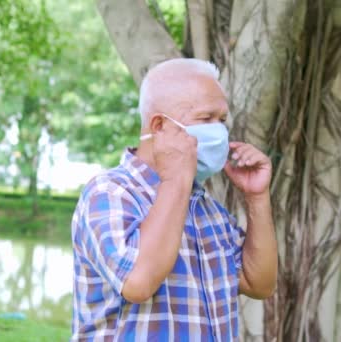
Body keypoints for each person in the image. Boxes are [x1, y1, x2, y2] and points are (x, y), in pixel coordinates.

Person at [71, 58, 278, 341]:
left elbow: (259, 283)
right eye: (205, 119)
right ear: (158, 126)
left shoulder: (207, 209)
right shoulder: (108, 193)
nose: (218, 131)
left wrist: (257, 197)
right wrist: (177, 178)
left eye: (222, 120)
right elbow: (138, 282)